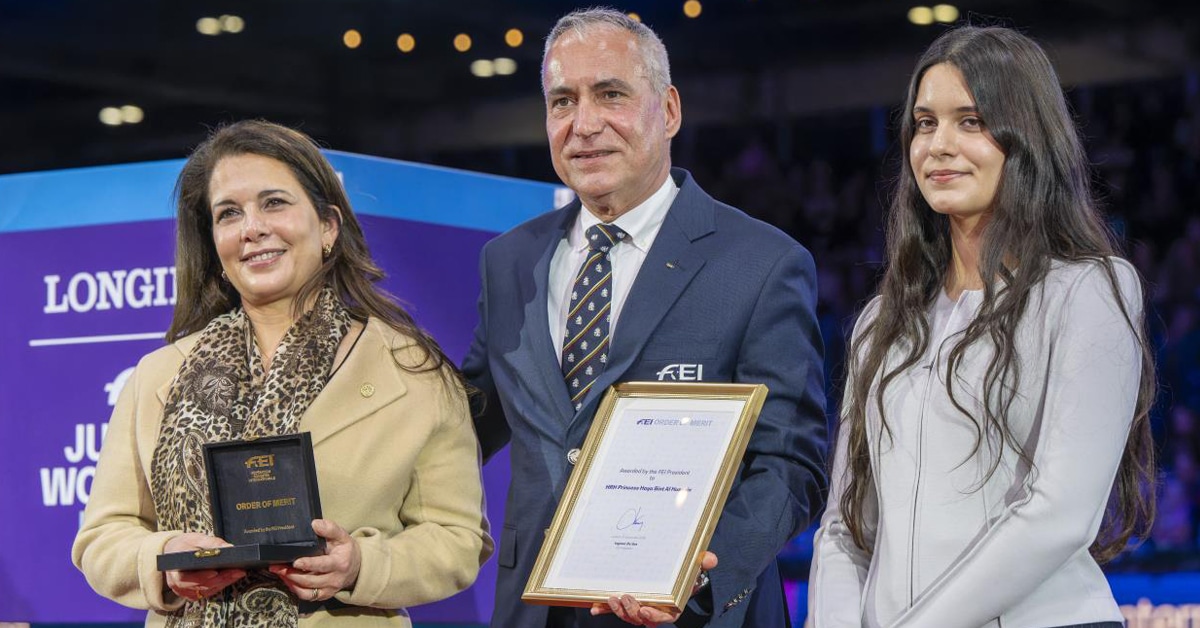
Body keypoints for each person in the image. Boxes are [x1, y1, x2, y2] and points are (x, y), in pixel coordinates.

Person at [462, 8, 827, 628]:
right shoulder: (509, 261)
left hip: (688, 612)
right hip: (536, 608)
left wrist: (697, 579)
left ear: (670, 110)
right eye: (562, 101)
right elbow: (464, 422)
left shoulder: (762, 263)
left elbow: (791, 464)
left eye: (611, 94)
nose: (584, 125)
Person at [72, 120, 492, 627]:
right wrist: (165, 560)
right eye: (229, 213)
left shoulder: (412, 370)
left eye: (274, 203)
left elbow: (456, 537)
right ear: (214, 242)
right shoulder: (157, 376)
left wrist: (361, 564)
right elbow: (103, 536)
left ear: (329, 226)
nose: (251, 228)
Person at [809, 26, 1156, 627]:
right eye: (924, 123)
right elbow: (846, 524)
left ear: (1026, 136)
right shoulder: (881, 322)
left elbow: (1059, 512)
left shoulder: (1088, 288)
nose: (938, 145)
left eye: (970, 121)